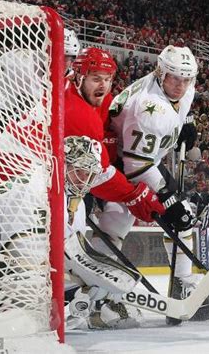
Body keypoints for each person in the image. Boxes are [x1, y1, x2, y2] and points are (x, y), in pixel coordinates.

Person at [99, 45, 209, 323]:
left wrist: (187, 120)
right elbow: (136, 166)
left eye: (186, 79)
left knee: (115, 223)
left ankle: (102, 294)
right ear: (160, 72)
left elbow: (184, 97)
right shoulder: (151, 108)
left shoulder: (179, 86)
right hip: (119, 159)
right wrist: (168, 197)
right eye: (174, 78)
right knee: (175, 215)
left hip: (135, 154)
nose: (181, 85)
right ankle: (180, 286)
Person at [64, 47, 169, 225]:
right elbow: (99, 174)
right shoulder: (78, 112)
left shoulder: (93, 96)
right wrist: (133, 195)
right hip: (28, 178)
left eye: (107, 79)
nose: (103, 86)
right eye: (96, 79)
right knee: (72, 223)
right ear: (79, 77)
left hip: (63, 170)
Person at [63, 136, 143, 330]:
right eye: (80, 171)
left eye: (89, 175)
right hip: (37, 278)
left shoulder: (78, 203)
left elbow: (74, 250)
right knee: (105, 291)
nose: (84, 180)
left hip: (61, 273)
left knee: (114, 292)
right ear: (64, 164)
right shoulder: (47, 196)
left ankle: (96, 305)